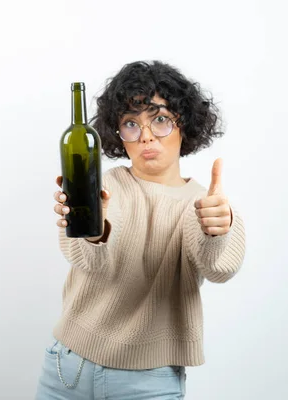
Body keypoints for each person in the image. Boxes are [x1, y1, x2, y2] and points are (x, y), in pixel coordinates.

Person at [35, 60, 246, 399]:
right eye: (131, 123)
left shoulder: (205, 204)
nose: (146, 135)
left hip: (149, 384)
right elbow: (84, 257)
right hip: (66, 368)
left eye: (160, 119)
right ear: (118, 135)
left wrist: (217, 229)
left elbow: (219, 267)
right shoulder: (103, 187)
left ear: (184, 124)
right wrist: (93, 229)